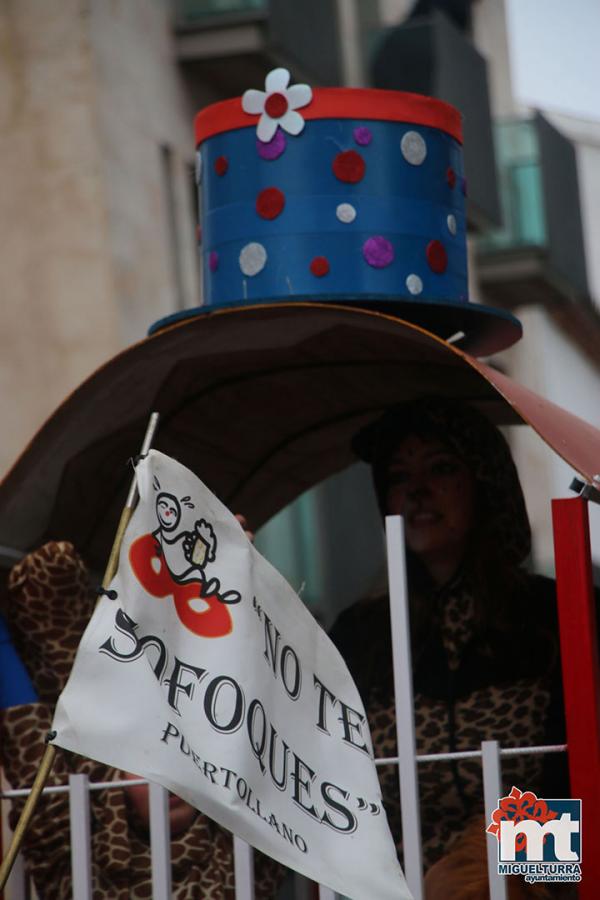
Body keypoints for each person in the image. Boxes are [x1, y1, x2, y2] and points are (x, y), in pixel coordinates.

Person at [329, 396, 571, 898]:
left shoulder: (553, 615)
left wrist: (484, 876)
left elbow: (575, 784)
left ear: (484, 483)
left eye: (441, 468)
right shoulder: (360, 635)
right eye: (398, 477)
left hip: (539, 880)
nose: (417, 491)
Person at [0, 523, 282, 899]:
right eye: (148, 750)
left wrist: (240, 582)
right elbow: (35, 763)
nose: (167, 774)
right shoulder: (81, 830)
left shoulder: (246, 848)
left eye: (181, 746)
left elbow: (264, 737)